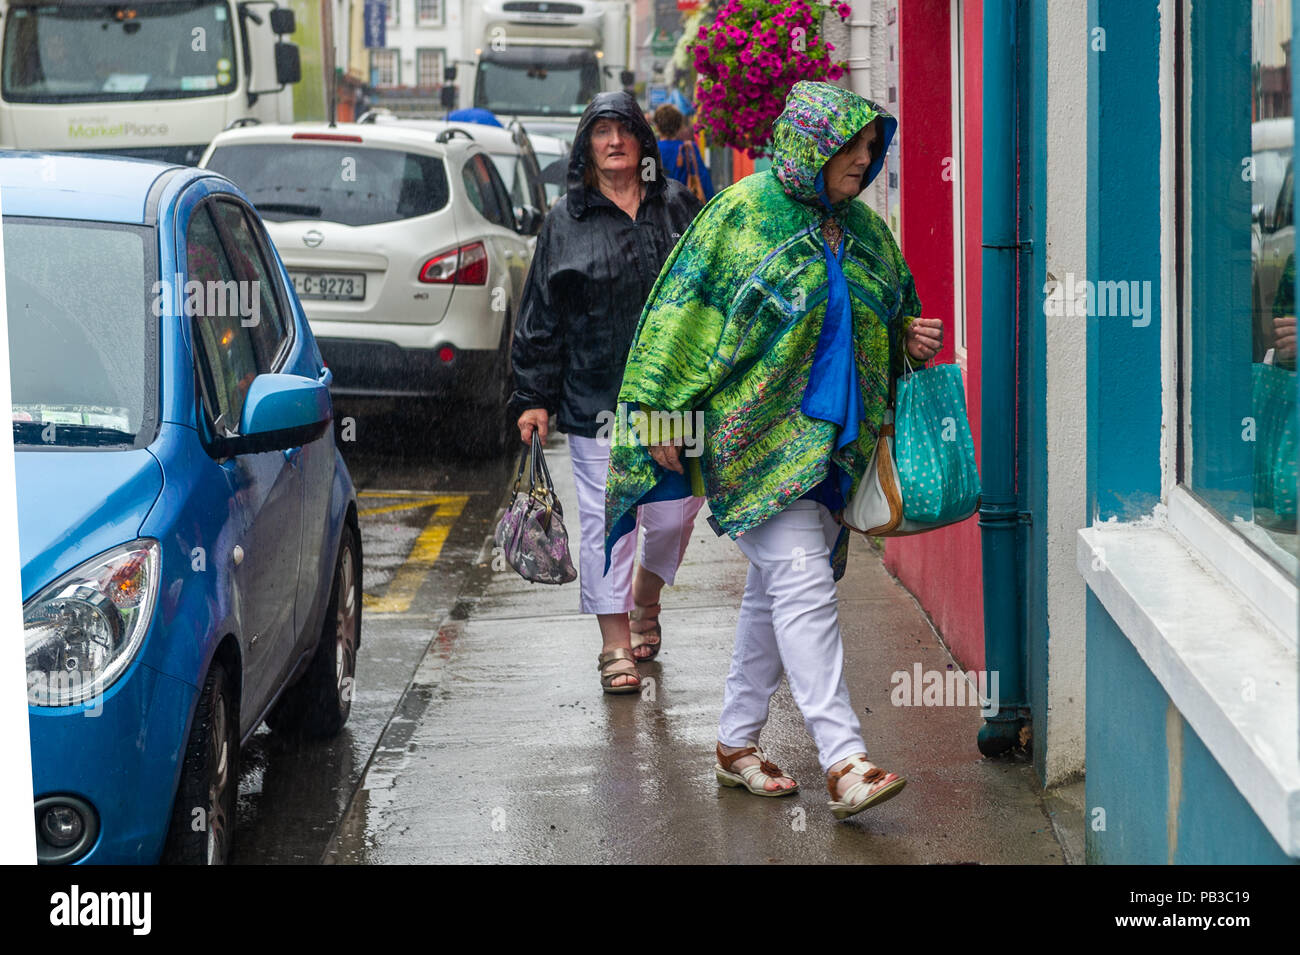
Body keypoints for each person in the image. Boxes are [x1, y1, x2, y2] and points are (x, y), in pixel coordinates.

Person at [604, 81, 943, 820]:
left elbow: (892, 301)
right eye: (849, 146)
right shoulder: (742, 213)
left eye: (868, 147)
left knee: (775, 594)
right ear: (809, 146)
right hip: (752, 438)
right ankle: (845, 757)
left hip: (830, 450)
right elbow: (677, 312)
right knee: (802, 583)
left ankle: (734, 744)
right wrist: (662, 415)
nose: (862, 159)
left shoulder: (862, 228)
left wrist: (909, 333)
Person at [509, 91, 706, 694]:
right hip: (595, 396)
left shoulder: (677, 208)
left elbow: (711, 301)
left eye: (625, 130)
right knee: (607, 522)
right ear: (586, 146)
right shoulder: (564, 224)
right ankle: (615, 643)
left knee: (673, 517)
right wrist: (533, 397)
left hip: (676, 402)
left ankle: (647, 594)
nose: (614, 141)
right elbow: (541, 314)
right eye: (601, 132)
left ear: (644, 140)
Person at [654, 104, 715, 202]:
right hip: (685, 209)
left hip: (658, 210)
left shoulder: (651, 150)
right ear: (679, 126)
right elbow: (703, 180)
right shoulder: (689, 149)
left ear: (657, 127)